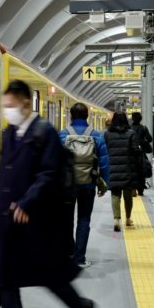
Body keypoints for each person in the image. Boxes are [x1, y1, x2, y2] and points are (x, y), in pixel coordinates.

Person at [0, 80, 95, 308]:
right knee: (4, 276)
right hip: (9, 217)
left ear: (24, 102)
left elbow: (49, 174)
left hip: (36, 220)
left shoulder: (43, 132)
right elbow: (5, 170)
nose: (7, 110)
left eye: (10, 105)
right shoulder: (11, 132)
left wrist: (26, 202)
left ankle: (82, 306)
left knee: (50, 275)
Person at [59, 103, 110, 268]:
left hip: (67, 186)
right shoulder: (96, 136)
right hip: (88, 184)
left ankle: (68, 254)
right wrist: (104, 185)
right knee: (84, 219)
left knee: (66, 220)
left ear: (71, 116)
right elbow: (104, 163)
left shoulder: (62, 135)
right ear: (87, 116)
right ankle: (80, 258)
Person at [104, 112, 144, 230]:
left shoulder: (107, 134)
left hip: (113, 168)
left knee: (115, 195)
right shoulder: (131, 133)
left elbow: (105, 150)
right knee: (128, 195)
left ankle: (116, 219)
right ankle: (127, 219)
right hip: (128, 169)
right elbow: (135, 150)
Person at [131, 112, 154, 195]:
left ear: (132, 119)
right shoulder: (143, 128)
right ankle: (140, 190)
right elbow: (150, 139)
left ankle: (133, 188)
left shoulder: (129, 128)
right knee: (141, 170)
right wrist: (143, 141)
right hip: (141, 153)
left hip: (131, 153)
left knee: (132, 171)